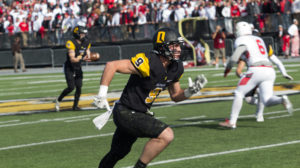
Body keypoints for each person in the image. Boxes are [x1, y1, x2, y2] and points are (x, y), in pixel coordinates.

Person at [93, 27, 207, 168]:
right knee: (166, 135)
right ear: (162, 47)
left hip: (138, 113)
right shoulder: (149, 62)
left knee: (118, 152)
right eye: (174, 45)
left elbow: (175, 96)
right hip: (126, 112)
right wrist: (102, 94)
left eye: (179, 45)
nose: (178, 49)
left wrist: (190, 91)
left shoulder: (175, 67)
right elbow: (112, 65)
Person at [219, 22, 293, 129]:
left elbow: (235, 57)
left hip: (256, 69)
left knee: (239, 93)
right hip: (269, 70)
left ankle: (232, 121)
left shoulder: (241, 40)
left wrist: (227, 69)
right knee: (267, 100)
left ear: (239, 30)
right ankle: (282, 99)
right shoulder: (258, 39)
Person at [55, 24, 92, 111]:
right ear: (77, 34)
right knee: (71, 87)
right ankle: (58, 99)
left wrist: (90, 57)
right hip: (69, 67)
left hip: (78, 66)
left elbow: (88, 53)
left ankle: (75, 106)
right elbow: (72, 59)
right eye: (82, 33)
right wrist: (82, 58)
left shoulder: (86, 42)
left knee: (79, 86)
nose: (84, 35)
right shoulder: (71, 43)